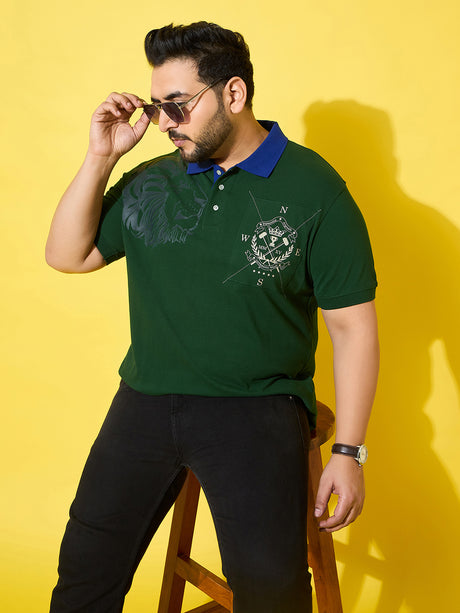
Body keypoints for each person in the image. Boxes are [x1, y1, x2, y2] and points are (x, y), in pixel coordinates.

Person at [46, 21, 379, 613]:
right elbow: (67, 255)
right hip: (146, 397)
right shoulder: (153, 181)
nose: (164, 123)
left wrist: (348, 453)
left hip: (256, 407)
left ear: (234, 93)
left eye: (177, 105)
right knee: (83, 574)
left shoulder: (316, 190)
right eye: (157, 107)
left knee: (272, 594)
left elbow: (353, 328)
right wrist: (101, 157)